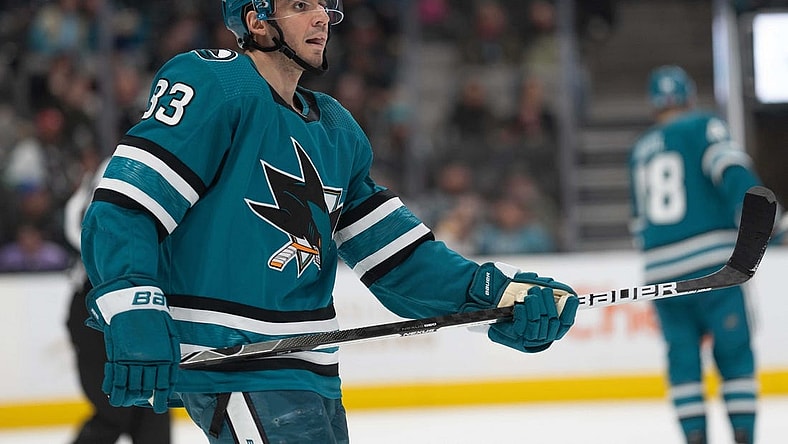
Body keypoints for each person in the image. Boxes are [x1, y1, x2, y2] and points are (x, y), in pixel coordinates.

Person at [78, 2, 580, 443]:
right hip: (239, 363)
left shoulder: (337, 129)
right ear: (257, 20)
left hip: (309, 373)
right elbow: (124, 206)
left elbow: (400, 260)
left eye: (323, 5)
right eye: (299, 5)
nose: (322, 16)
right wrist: (132, 305)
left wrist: (493, 293)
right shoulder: (214, 85)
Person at [628, 65, 762, 444]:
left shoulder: (639, 149)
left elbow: (638, 223)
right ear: (689, 95)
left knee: (682, 358)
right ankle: (742, 435)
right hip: (713, 268)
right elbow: (732, 170)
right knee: (734, 353)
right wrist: (766, 220)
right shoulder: (704, 125)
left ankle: (695, 437)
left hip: (660, 273)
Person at [65, 159, 172, 443]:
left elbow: (75, 220)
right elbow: (82, 225)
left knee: (151, 408)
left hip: (137, 301)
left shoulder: (128, 162)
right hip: (98, 301)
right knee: (116, 410)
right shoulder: (126, 164)